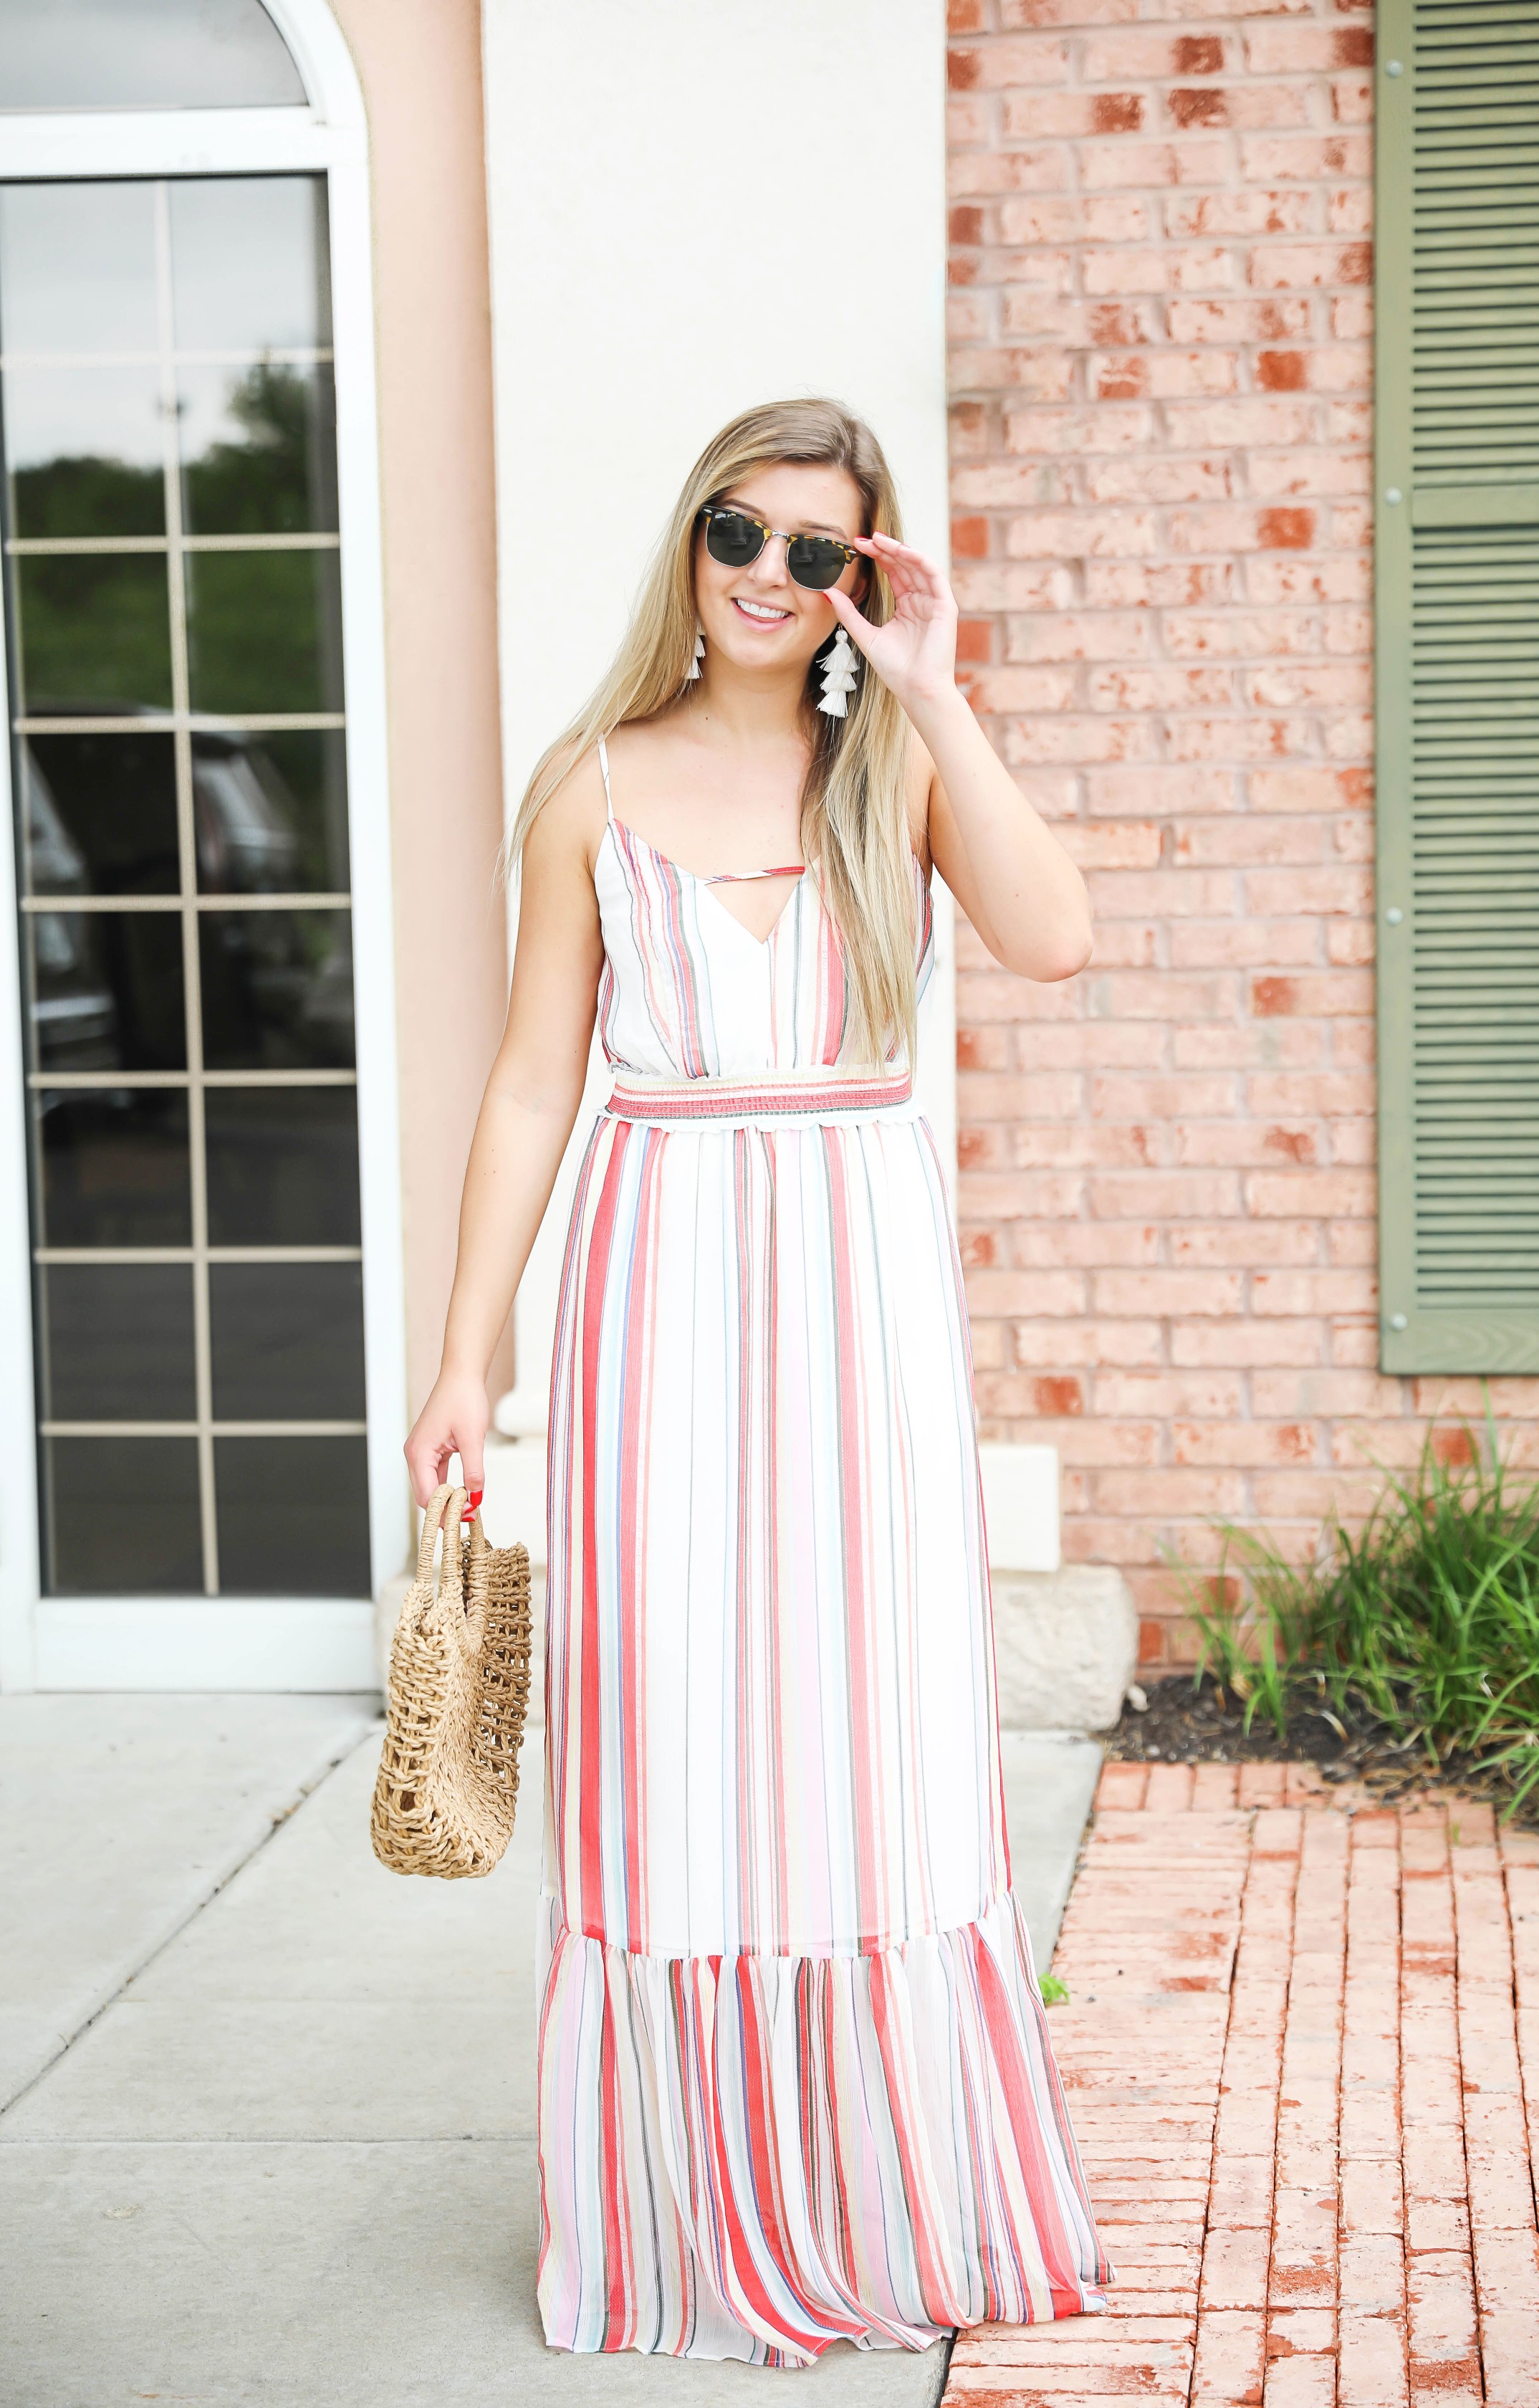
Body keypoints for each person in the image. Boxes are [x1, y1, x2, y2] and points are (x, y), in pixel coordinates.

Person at [405, 397, 1108, 2366]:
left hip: (861, 1303)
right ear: (691, 538)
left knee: (874, 1744)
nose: (768, 578)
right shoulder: (589, 785)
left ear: (861, 583)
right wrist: (470, 1360)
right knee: (672, 1742)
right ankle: (687, 2224)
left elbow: (1057, 937)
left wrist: (940, 688)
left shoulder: (891, 779)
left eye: (820, 553)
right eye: (742, 531)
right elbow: (537, 1078)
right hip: (658, 1287)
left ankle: (885, 2192)